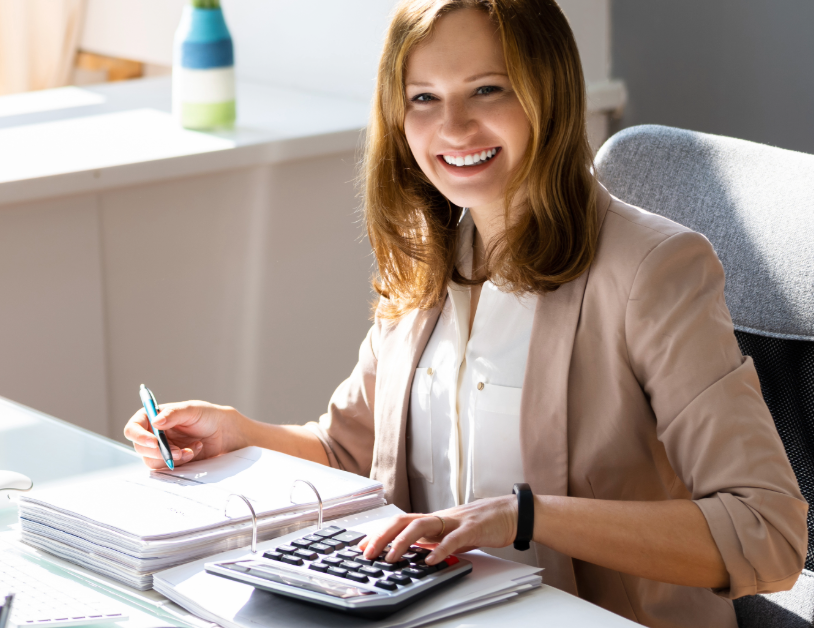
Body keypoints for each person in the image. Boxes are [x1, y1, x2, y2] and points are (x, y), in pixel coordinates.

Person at [123, 0, 807, 625]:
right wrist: (241, 434)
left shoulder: (651, 271)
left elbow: (767, 533)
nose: (451, 127)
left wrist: (522, 518)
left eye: (487, 89)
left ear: (549, 92)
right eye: (423, 98)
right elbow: (351, 453)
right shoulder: (428, 255)